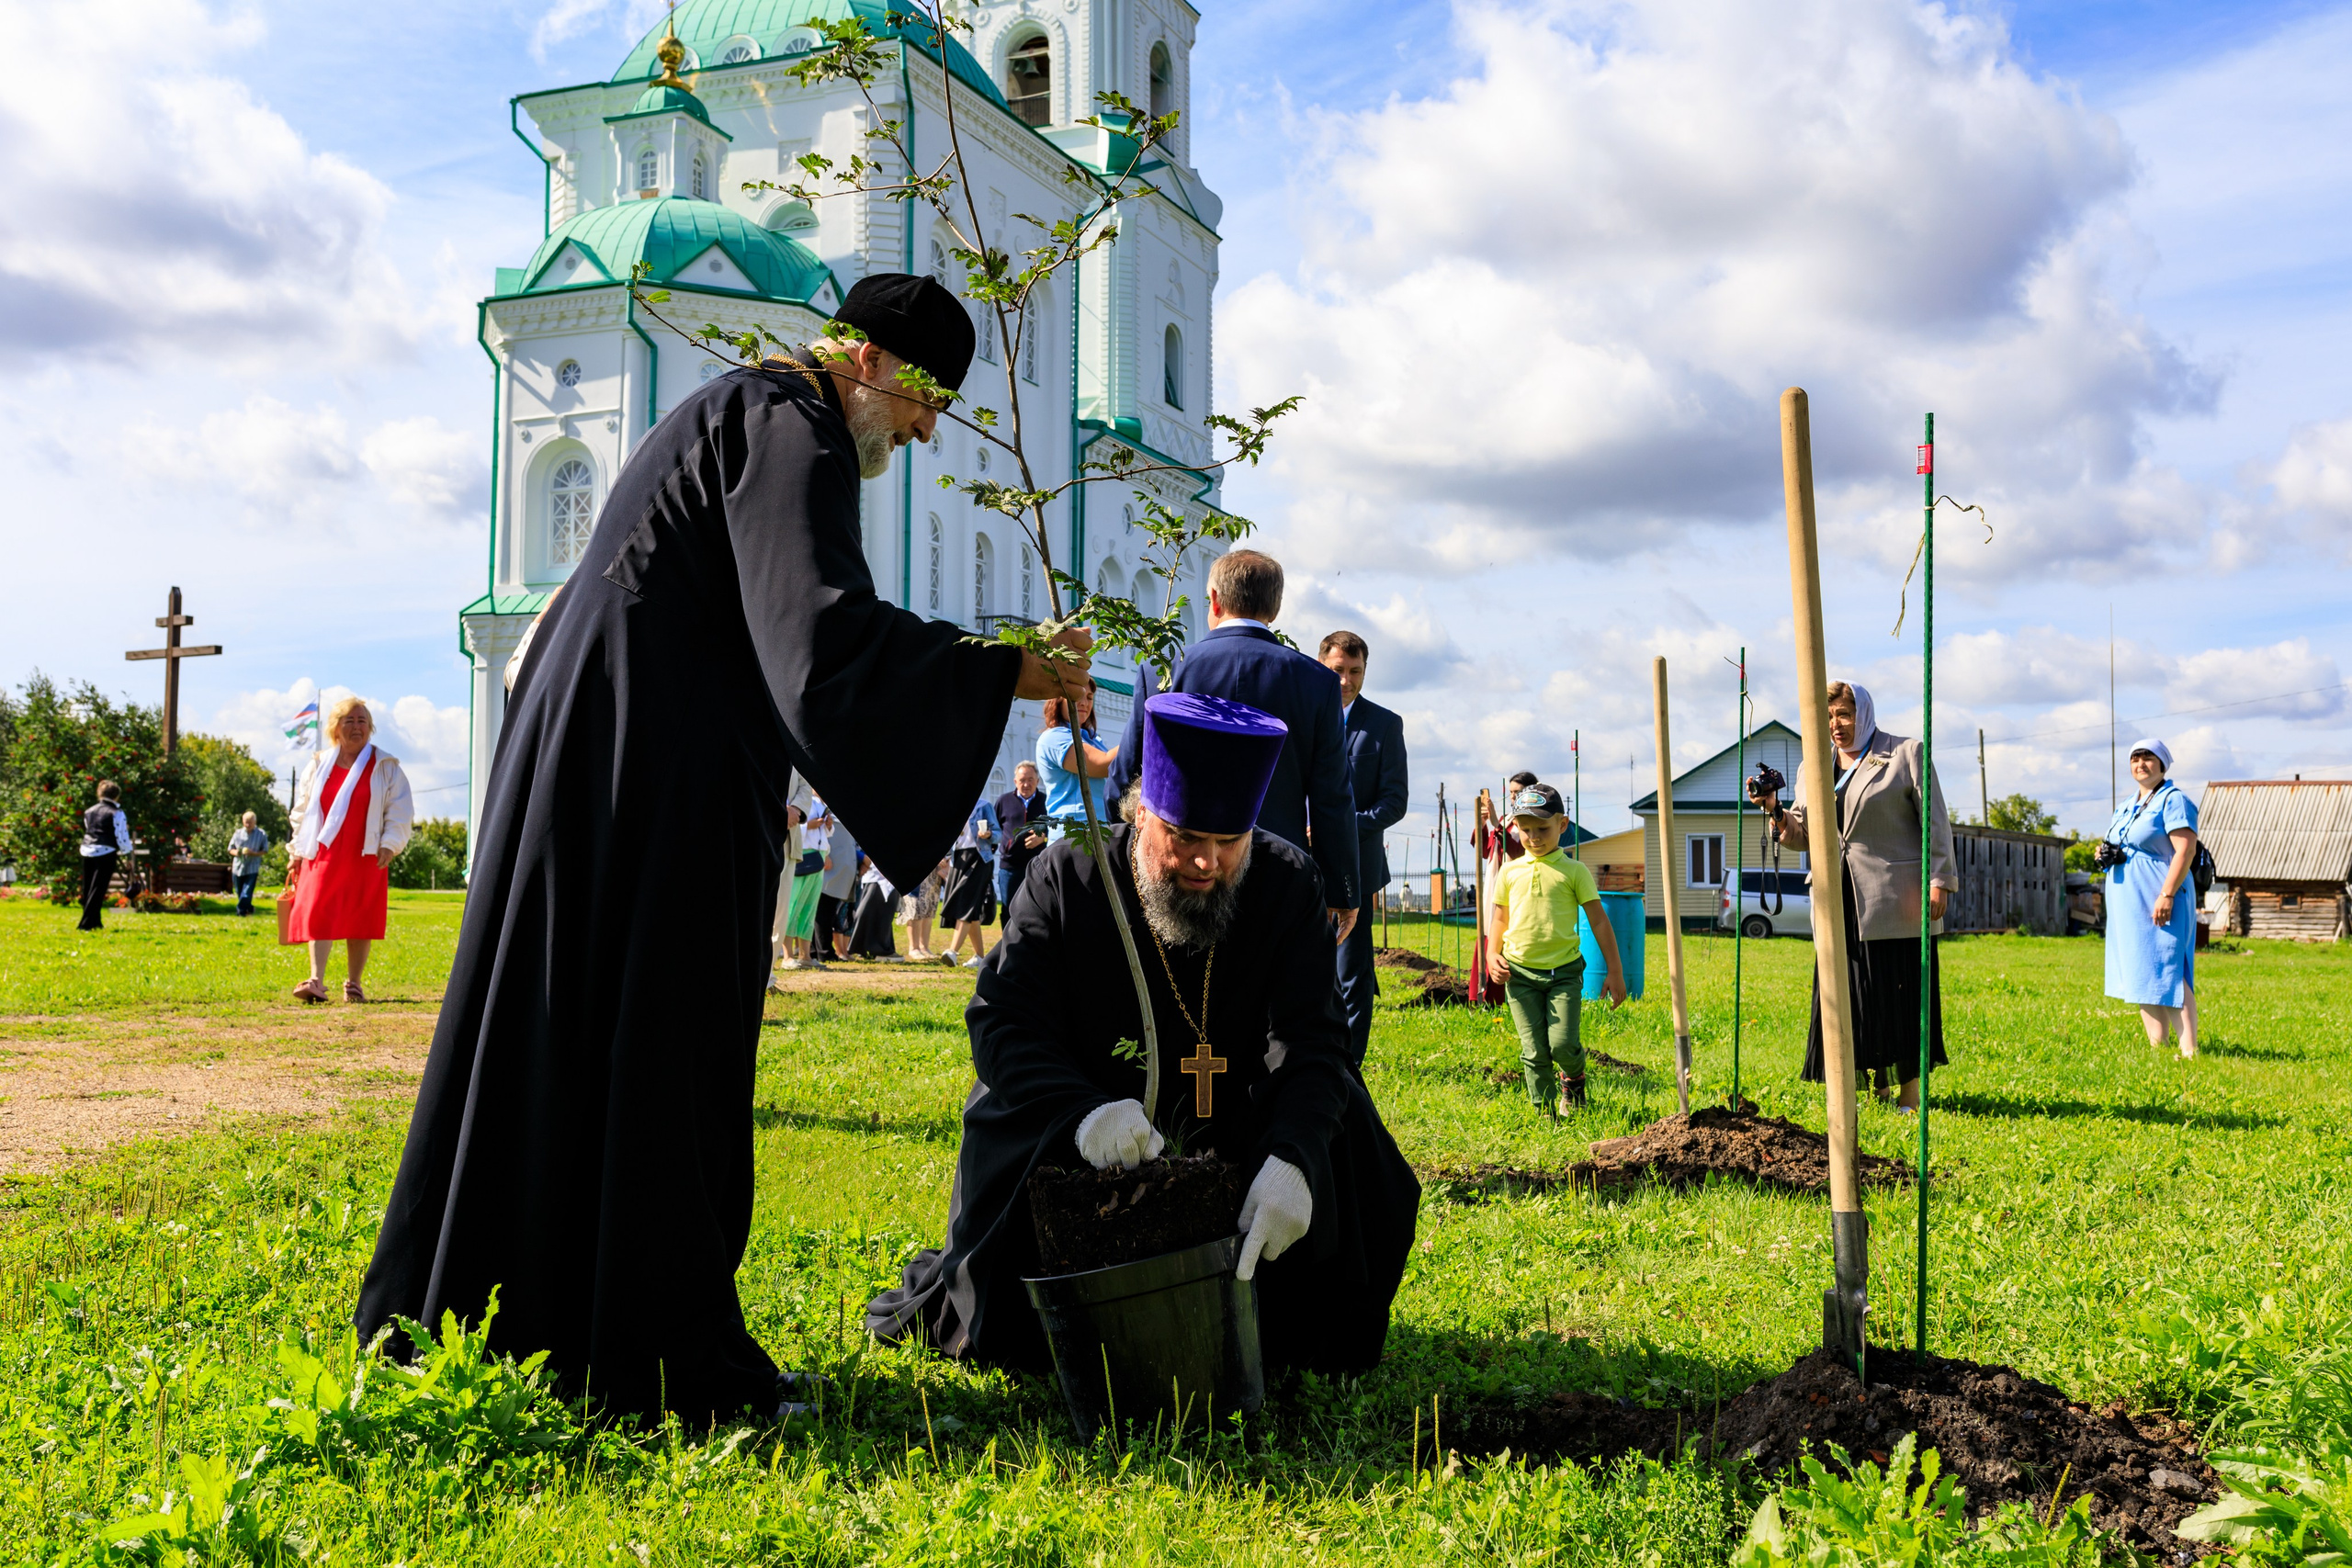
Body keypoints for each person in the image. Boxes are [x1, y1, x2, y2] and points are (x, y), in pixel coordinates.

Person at [355, 273, 1093, 1425]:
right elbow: (824, 638)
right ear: (870, 362)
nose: (923, 428)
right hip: (657, 778)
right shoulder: (790, 427)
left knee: (572, 1030)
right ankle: (656, 1355)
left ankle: (519, 1318)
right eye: (926, 399)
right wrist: (1001, 667)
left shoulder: (741, 410)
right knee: (662, 1040)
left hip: (610, 757)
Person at [865, 694, 1420, 1373]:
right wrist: (1081, 1114)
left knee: (1345, 1123)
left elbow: (1313, 1038)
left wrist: (1295, 1156)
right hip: (1089, 1126)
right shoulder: (1067, 878)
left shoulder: (1284, 880)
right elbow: (1002, 1021)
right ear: (1141, 811)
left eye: (1228, 842)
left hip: (1244, 1123)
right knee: (1006, 1119)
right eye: (1186, 838)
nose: (1207, 863)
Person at [1109, 550, 1360, 944]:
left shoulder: (1164, 669)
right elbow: (1332, 795)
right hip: (1280, 871)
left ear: (1213, 599)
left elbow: (1127, 779)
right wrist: (1341, 890)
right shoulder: (1317, 683)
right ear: (1274, 609)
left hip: (1183, 875)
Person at [1752, 682, 1955, 1111]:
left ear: (1862, 712)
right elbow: (1804, 835)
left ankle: (1910, 1094)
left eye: (1843, 714)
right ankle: (1873, 1086)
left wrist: (1940, 880)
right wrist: (1774, 810)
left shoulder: (1906, 753)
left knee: (1899, 991)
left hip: (1894, 897)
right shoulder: (1815, 767)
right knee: (1853, 993)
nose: (1836, 725)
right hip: (1836, 897)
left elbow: (1935, 822)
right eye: (1828, 717)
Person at [1485, 784, 1628, 1114]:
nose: (1534, 837)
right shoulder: (1509, 872)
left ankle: (1574, 1081)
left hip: (1563, 973)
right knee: (1533, 1051)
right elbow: (1499, 919)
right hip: (1519, 974)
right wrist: (1493, 954)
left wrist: (1615, 971)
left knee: (1562, 1044)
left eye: (1543, 828)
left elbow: (1600, 922)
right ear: (1515, 828)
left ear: (1563, 825)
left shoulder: (1574, 871)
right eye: (1525, 829)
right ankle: (1546, 1114)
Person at [286, 698, 415, 1004]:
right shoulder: (319, 764)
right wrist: (296, 850)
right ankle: (316, 980)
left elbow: (400, 809)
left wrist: (390, 844)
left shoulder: (385, 766)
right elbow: (303, 809)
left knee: (361, 914)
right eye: (349, 721)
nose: (357, 726)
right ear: (335, 728)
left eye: (362, 721)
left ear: (370, 727)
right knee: (319, 910)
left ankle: (354, 984)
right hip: (322, 851)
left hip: (366, 851)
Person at [1321, 630, 1408, 1068]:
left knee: (1351, 972)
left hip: (1355, 867)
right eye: (1337, 670)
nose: (1345, 681)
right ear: (1322, 666)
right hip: (1300, 862)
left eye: (1355, 672)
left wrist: (1338, 828)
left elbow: (1395, 802)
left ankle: (1347, 1069)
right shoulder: (1303, 717)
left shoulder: (1384, 725)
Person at [2100, 739, 2200, 1057]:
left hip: (2159, 894)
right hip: (2128, 900)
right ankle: (2158, 1047)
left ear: (2162, 764)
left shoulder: (2174, 800)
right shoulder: (2126, 805)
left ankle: (2189, 1050)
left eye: (2148, 758)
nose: (2140, 763)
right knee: (2140, 966)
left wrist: (2167, 894)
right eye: (2135, 758)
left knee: (2167, 965)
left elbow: (2185, 850)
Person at [1036, 682, 1115, 839]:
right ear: (1059, 699)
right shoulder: (1054, 737)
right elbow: (1104, 764)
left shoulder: (1093, 739)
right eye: (1077, 696)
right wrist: (1143, 732)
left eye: (1089, 697)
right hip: (1073, 837)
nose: (1084, 703)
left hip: (1097, 833)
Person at [940, 794, 1001, 966]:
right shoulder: (954, 807)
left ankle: (953, 951)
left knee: (965, 901)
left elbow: (999, 834)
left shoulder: (984, 806)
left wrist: (988, 834)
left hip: (980, 858)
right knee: (971, 907)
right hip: (959, 859)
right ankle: (980, 957)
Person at [77, 781, 132, 931]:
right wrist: (127, 854)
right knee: (98, 889)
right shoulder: (117, 812)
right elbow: (121, 835)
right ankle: (86, 923)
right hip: (106, 851)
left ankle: (95, 921)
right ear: (116, 796)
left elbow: (89, 829)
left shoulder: (89, 811)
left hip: (87, 849)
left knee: (88, 888)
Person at [994, 761, 1050, 908]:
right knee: (1008, 909)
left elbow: (1056, 829)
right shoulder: (1003, 801)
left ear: (1037, 781)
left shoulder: (1047, 802)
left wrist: (1044, 837)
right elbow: (995, 828)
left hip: (1038, 866)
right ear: (1015, 782)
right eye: (1022, 780)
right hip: (1009, 867)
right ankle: (1007, 933)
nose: (1026, 784)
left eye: (1030, 780)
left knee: (1037, 908)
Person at [817, 806, 858, 960]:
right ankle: (824, 952)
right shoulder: (820, 807)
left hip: (840, 872)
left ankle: (821, 951)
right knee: (823, 914)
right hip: (828, 870)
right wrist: (824, 855)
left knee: (828, 913)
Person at [846, 854, 901, 960]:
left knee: (883, 914)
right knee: (876, 912)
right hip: (878, 875)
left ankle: (876, 948)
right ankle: (877, 950)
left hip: (886, 873)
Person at [228, 811, 269, 917]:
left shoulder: (261, 834)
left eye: (250, 822)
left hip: (252, 867)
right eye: (246, 822)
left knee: (247, 891)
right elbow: (230, 849)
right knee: (239, 891)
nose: (248, 825)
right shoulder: (237, 833)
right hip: (238, 867)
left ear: (255, 822)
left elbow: (265, 850)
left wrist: (253, 853)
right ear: (242, 821)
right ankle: (249, 908)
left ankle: (240, 912)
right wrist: (236, 852)